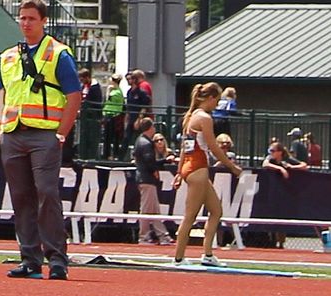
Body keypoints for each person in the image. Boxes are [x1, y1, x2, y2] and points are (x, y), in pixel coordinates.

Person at [0, 0, 83, 280]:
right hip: (13, 133)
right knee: (21, 197)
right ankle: (30, 258)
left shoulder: (58, 53)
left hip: (45, 133)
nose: (26, 23)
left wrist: (61, 132)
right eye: (22, 18)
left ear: (44, 21)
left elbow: (74, 95)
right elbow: (1, 93)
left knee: (47, 193)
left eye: (32, 18)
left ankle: (57, 259)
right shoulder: (8, 56)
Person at [171, 82, 242, 267]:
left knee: (216, 211)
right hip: (198, 168)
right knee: (190, 215)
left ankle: (208, 254)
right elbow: (213, 147)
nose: (217, 105)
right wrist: (231, 166)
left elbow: (183, 149)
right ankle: (178, 258)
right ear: (210, 98)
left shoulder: (191, 116)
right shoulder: (204, 118)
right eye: (217, 100)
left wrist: (179, 172)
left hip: (190, 167)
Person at [133, 117, 172, 245]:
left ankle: (163, 236)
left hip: (145, 178)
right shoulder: (146, 143)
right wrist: (165, 161)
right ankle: (143, 237)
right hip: (146, 179)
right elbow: (150, 162)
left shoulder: (141, 141)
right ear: (151, 128)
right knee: (146, 209)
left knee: (154, 209)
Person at [74, 67, 102, 160]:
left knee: (92, 138)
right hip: (84, 117)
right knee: (83, 136)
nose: (81, 81)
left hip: (92, 117)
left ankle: (92, 156)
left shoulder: (95, 88)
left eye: (82, 79)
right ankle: (83, 155)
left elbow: (96, 103)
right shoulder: (83, 87)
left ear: (87, 77)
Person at [101, 74, 125, 160]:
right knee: (108, 136)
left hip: (113, 115)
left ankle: (112, 155)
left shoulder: (116, 92)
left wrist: (108, 90)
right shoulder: (115, 91)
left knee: (111, 136)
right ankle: (108, 154)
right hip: (109, 114)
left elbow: (107, 99)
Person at [124, 70, 152, 138]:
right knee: (126, 139)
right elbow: (128, 106)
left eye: (129, 79)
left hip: (139, 119)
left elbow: (144, 106)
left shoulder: (142, 90)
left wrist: (139, 119)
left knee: (140, 137)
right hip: (131, 118)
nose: (128, 81)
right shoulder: (129, 92)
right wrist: (126, 119)